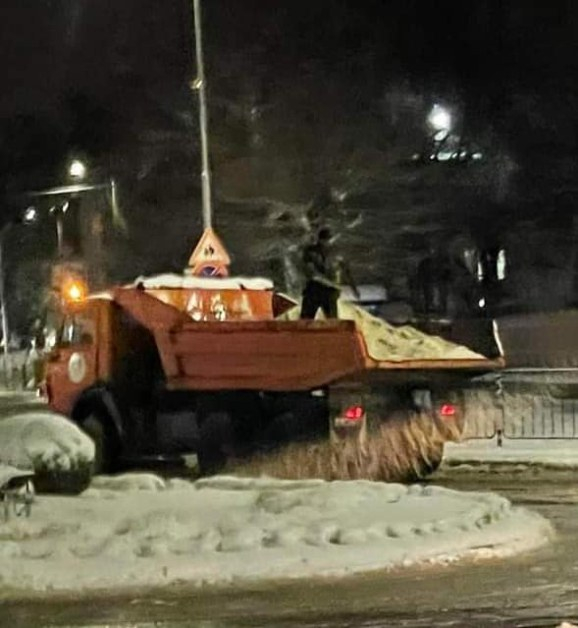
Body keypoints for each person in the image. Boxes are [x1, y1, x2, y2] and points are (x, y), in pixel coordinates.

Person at [300, 227, 359, 319]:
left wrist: (354, 288)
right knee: (306, 319)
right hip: (314, 290)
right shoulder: (310, 252)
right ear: (319, 240)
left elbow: (346, 271)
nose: (327, 242)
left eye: (329, 239)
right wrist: (331, 284)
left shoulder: (337, 253)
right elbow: (312, 274)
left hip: (330, 293)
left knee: (332, 320)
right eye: (324, 240)